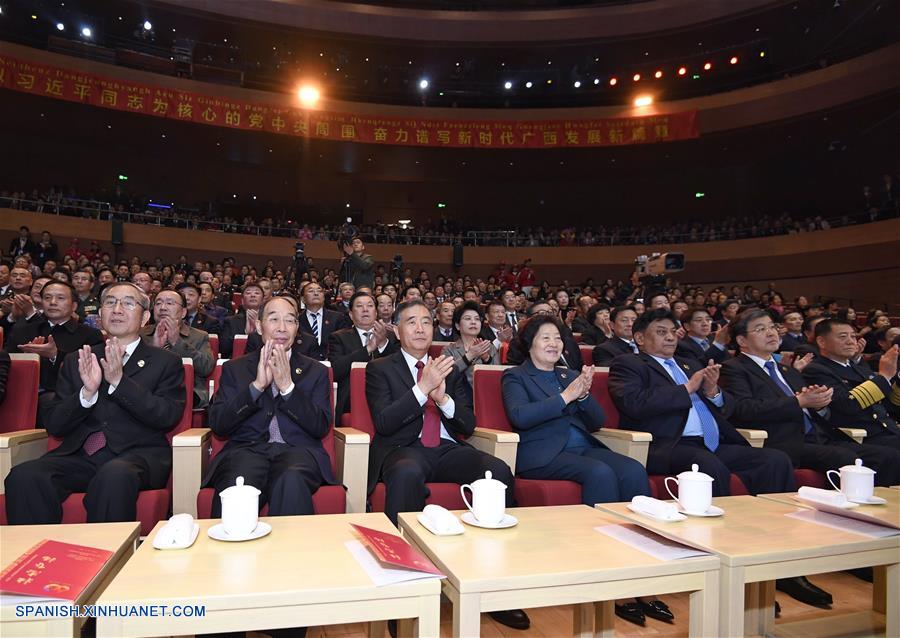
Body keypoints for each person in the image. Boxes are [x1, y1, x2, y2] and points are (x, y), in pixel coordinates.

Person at [364, 299, 529, 632]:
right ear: (397, 330)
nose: (421, 328)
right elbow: (383, 422)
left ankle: (495, 587)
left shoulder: (448, 366)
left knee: (496, 472)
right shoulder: (380, 368)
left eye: (427, 321)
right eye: (412, 322)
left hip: (446, 448)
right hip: (403, 448)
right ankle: (404, 595)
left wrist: (443, 400)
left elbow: (467, 424)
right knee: (406, 473)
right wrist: (421, 388)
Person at [5, 283, 185, 524]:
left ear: (145, 318)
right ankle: (39, 556)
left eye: (128, 303)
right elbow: (56, 426)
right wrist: (86, 394)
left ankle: (107, 557)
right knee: (24, 476)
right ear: (100, 316)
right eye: (110, 303)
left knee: (115, 475)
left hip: (137, 456)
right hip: (80, 456)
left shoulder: (165, 362)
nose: (117, 309)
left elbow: (166, 416)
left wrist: (119, 382)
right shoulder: (78, 359)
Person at [608, 309, 796, 496]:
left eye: (673, 331)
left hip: (712, 443)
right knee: (709, 466)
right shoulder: (629, 364)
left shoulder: (690, 364)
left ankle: (770, 520)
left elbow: (729, 409)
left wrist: (713, 391)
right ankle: (719, 524)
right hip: (669, 444)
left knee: (774, 459)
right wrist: (686, 389)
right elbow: (633, 403)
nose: (670, 337)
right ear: (640, 338)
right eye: (661, 332)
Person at [722, 309, 900, 483]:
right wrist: (799, 401)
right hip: (782, 441)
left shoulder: (788, 370)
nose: (771, 333)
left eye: (772, 327)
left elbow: (821, 411)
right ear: (741, 340)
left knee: (888, 456)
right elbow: (743, 408)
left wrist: (820, 405)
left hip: (821, 436)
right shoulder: (734, 368)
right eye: (761, 329)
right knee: (844, 457)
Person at [204, 296, 335, 517]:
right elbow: (219, 425)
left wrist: (288, 388)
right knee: (240, 482)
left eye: (290, 320)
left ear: (297, 328)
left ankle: (291, 552)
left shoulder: (316, 371)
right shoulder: (235, 369)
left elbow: (320, 426)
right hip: (246, 450)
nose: (282, 328)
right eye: (274, 319)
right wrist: (256, 387)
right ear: (259, 326)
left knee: (291, 479)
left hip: (298, 451)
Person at [802, 319, 900, 450]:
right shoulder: (816, 370)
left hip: (888, 430)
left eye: (853, 336)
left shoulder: (858, 367)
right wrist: (884, 377)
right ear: (821, 342)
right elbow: (846, 405)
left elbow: (890, 405)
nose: (850, 341)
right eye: (843, 337)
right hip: (859, 437)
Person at [5, 281, 104, 397]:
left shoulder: (90, 335)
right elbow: (5, 366)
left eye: (60, 298)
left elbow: (91, 375)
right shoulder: (22, 330)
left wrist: (55, 355)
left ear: (74, 306)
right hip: (21, 394)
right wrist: (26, 358)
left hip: (67, 397)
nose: (52, 302)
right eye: (47, 298)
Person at [328, 291, 399, 420]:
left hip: (386, 397)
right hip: (351, 399)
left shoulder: (392, 337)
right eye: (359, 306)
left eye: (370, 306)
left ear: (376, 313)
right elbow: (335, 371)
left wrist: (382, 344)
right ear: (350, 314)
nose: (365, 309)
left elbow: (399, 368)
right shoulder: (339, 337)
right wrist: (368, 349)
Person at [141, 289, 215, 408]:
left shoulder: (199, 336)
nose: (163, 307)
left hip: (187, 390)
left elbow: (206, 368)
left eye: (170, 303)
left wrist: (177, 342)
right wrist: (154, 350)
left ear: (183, 312)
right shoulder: (141, 334)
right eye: (158, 303)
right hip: (146, 389)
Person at [442, 302, 499, 400]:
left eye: (477, 319)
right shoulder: (449, 350)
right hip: (459, 400)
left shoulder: (490, 347)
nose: (473, 322)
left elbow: (497, 377)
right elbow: (447, 376)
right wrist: (470, 355)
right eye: (468, 318)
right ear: (457, 326)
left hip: (487, 397)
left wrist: (486, 358)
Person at [298, 281, 351, 361]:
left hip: (332, 364)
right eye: (311, 291)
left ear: (323, 297)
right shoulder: (297, 320)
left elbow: (344, 342)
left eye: (319, 291)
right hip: (304, 363)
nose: (316, 293)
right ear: (303, 299)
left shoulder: (338, 318)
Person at [219, 282, 264, 358]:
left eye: (257, 293)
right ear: (242, 301)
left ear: (263, 300)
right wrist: (245, 334)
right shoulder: (231, 321)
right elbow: (223, 349)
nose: (253, 295)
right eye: (248, 293)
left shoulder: (270, 321)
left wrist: (257, 331)